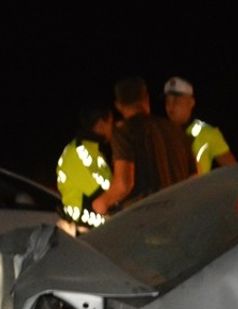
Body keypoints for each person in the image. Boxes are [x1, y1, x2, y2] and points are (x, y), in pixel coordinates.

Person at [91, 77, 196, 216]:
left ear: (118, 105)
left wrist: (101, 203)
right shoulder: (176, 130)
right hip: (177, 215)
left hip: (145, 220)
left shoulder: (124, 132)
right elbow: (194, 178)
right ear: (146, 99)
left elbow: (124, 184)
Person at [55, 105, 113, 235]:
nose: (113, 128)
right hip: (85, 231)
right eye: (111, 122)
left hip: (85, 228)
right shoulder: (82, 151)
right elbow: (105, 192)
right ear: (100, 123)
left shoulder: (86, 148)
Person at [163, 76, 236, 174]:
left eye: (176, 101)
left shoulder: (208, 133)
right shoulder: (159, 133)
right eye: (168, 101)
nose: (170, 106)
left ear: (191, 103)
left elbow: (233, 170)